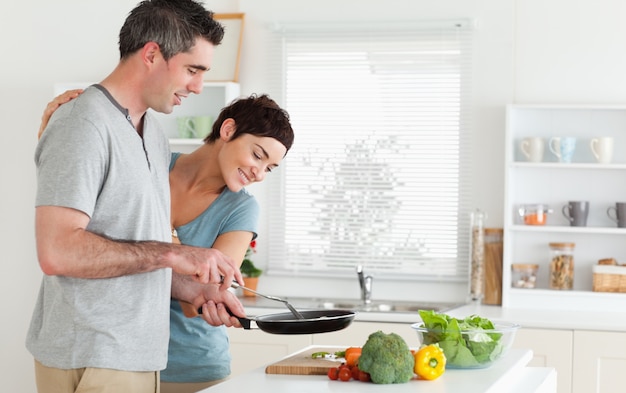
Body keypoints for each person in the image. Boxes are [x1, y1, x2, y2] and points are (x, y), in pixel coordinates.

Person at [27, 1, 247, 392]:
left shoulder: (154, 136)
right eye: (192, 70)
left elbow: (135, 255)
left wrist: (195, 289)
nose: (198, 86)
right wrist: (173, 253)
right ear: (151, 54)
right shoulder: (82, 123)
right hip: (94, 354)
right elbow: (57, 251)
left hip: (137, 355)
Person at [38, 92, 295, 393]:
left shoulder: (241, 208)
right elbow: (90, 209)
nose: (259, 174)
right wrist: (57, 133)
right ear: (228, 130)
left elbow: (203, 293)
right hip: (115, 350)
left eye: (269, 168)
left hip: (191, 365)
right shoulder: (153, 162)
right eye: (257, 156)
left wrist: (174, 246)